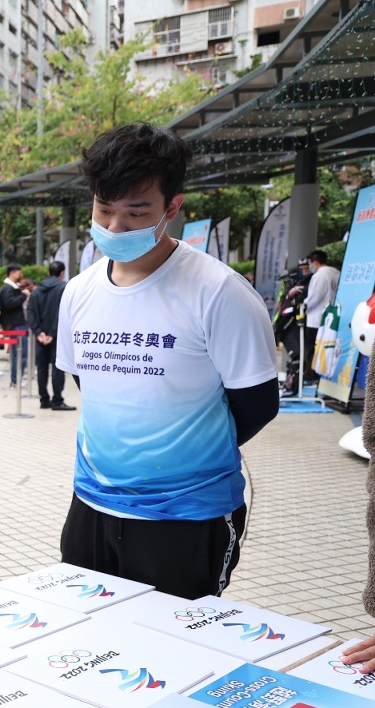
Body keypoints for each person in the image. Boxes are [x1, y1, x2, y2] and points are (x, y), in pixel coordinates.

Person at [55, 121, 278, 599]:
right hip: (91, 505)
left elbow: (259, 403)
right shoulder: (79, 291)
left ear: (172, 207)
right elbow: (87, 382)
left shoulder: (219, 292)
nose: (115, 227)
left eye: (136, 212)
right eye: (104, 209)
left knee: (176, 639)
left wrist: (184, 449)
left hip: (186, 517)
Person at [28, 261, 74, 411]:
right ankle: (57, 399)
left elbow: (31, 312)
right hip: (58, 336)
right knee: (58, 367)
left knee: (41, 368)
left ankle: (44, 399)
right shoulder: (64, 288)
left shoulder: (37, 291)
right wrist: (53, 334)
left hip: (41, 336)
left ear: (49, 273)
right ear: (62, 273)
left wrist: (38, 332)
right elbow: (62, 313)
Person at [303, 250, 341, 383]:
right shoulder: (336, 273)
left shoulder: (319, 275)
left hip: (316, 318)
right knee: (327, 348)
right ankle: (323, 374)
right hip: (332, 317)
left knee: (313, 348)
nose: (310, 267)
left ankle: (313, 375)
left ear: (316, 262)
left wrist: (303, 304)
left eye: (310, 264)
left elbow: (314, 297)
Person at [0, 264, 30, 387]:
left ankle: (17, 378)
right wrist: (23, 295)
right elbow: (10, 303)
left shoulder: (13, 287)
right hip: (15, 324)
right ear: (12, 273)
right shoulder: (7, 288)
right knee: (19, 354)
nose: (20, 275)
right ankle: (15, 379)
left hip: (19, 323)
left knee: (21, 354)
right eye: (18, 272)